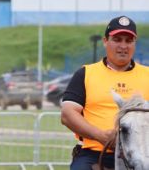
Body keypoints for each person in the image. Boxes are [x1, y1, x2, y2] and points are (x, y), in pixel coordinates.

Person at [61, 15, 149, 169]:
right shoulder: (86, 73)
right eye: (117, 39)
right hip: (94, 153)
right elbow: (68, 115)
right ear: (105, 41)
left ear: (135, 44)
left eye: (129, 41)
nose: (123, 46)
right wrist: (101, 136)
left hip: (142, 154)